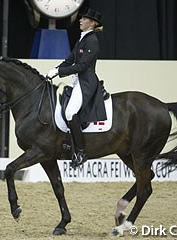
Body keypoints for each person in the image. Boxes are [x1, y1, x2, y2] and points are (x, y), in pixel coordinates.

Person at [46, 8, 107, 168]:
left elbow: (81, 66)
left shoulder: (92, 41)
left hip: (86, 82)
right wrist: (54, 71)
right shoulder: (82, 39)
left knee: (70, 112)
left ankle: (81, 152)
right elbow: (70, 59)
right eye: (81, 18)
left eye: (84, 19)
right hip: (77, 80)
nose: (80, 20)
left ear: (92, 23)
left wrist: (60, 72)